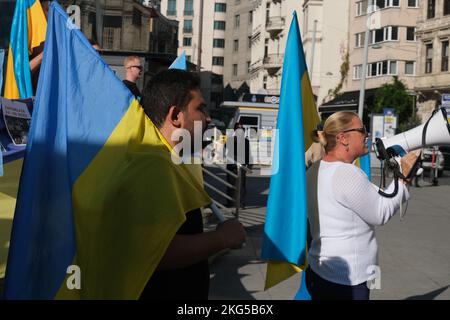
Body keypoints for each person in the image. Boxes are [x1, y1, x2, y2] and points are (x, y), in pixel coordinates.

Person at [138, 69, 246, 300]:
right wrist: (222, 238)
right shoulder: (153, 166)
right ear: (176, 115)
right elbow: (153, 251)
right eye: (200, 108)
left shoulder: (165, 159)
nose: (207, 118)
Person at [305, 111, 412, 300]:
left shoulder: (317, 168)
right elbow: (381, 213)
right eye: (362, 130)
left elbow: (375, 197)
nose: (367, 135)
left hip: (321, 270)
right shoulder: (346, 173)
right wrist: (403, 179)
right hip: (347, 281)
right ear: (343, 138)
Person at [226, 122, 251, 208]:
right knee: (231, 184)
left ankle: (241, 203)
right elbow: (228, 151)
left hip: (242, 165)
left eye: (242, 129)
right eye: (238, 128)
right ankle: (230, 202)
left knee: (241, 185)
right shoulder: (230, 140)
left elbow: (248, 153)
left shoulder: (246, 141)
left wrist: (249, 165)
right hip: (231, 164)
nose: (240, 130)